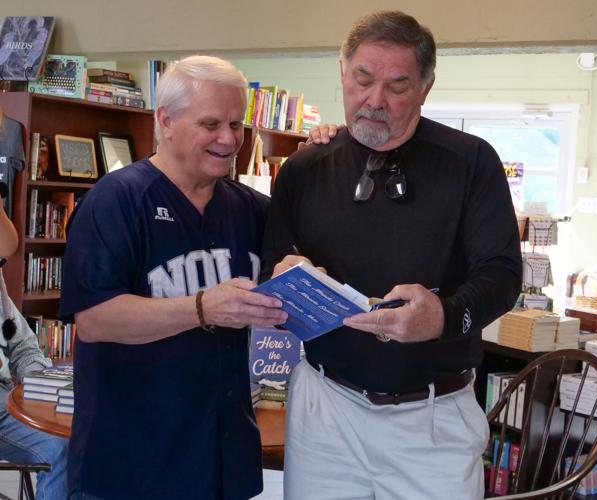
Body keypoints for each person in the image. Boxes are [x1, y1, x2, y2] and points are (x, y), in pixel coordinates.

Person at [261, 11, 522, 500]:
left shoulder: (472, 162)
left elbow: (504, 276)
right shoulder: (302, 168)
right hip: (325, 411)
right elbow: (272, 259)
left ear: (425, 87)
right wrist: (286, 272)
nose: (374, 101)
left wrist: (443, 317)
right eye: (362, 79)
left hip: (432, 420)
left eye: (397, 86)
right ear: (342, 70)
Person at [59, 55, 287, 500]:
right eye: (211, 124)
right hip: (131, 465)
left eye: (237, 125)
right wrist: (204, 307)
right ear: (165, 121)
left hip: (222, 456)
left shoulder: (249, 209)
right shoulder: (116, 201)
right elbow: (94, 319)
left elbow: (293, 265)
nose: (229, 139)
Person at [0, 180, 68, 500]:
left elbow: (22, 343)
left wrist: (43, 386)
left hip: (6, 399)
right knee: (64, 451)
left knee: (94, 437)